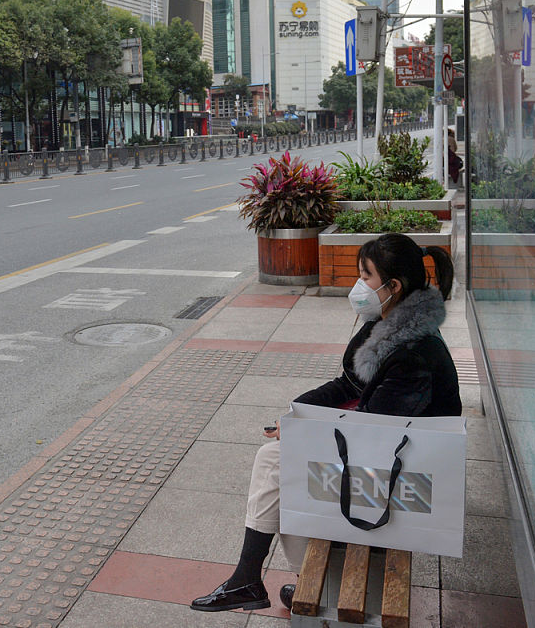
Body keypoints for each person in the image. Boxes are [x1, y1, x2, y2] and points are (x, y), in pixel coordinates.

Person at [191, 233, 461, 613]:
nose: (358, 285)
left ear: (393, 286)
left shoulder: (415, 354)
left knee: (278, 464)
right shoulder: (388, 323)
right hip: (394, 456)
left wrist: (302, 435)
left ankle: (269, 581)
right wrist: (295, 413)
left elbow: (374, 433)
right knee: (281, 462)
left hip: (413, 479)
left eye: (366, 275)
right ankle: (272, 582)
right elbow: (349, 384)